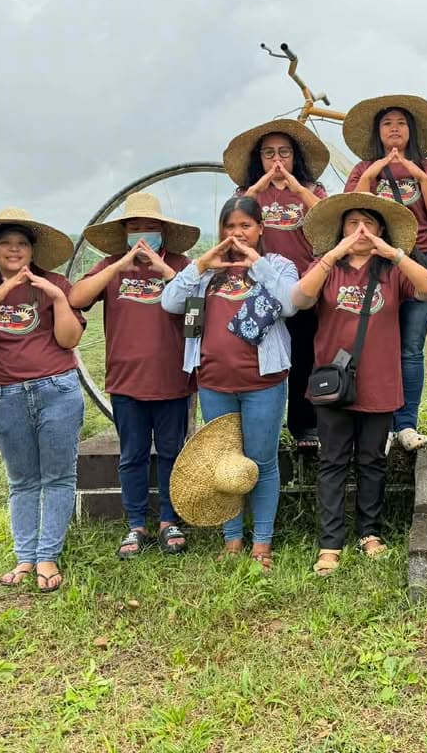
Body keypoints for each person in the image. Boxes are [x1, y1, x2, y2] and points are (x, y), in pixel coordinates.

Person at [292, 193, 427, 576]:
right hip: (333, 383)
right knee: (332, 462)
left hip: (380, 381)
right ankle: (330, 542)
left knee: (372, 462)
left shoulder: (391, 271)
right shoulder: (328, 267)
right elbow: (300, 299)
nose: (360, 230)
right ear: (340, 230)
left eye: (369, 224)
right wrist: (332, 255)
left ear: (381, 231)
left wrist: (394, 254)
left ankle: (369, 533)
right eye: (352, 223)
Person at [160, 196, 298, 571]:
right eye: (230, 226)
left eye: (245, 226)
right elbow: (170, 302)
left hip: (263, 382)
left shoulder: (279, 266)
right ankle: (232, 539)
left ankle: (262, 544)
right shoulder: (208, 273)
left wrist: (258, 264)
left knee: (261, 462)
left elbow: (290, 304)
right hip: (213, 382)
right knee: (224, 463)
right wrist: (202, 263)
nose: (237, 233)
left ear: (260, 229)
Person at [69, 193, 201, 559]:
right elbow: (77, 298)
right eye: (135, 227)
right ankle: (137, 524)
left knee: (172, 452)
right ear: (124, 232)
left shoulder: (181, 264)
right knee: (133, 455)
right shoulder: (111, 266)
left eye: (151, 227)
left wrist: (164, 270)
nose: (143, 233)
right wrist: (120, 265)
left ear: (164, 231)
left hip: (173, 379)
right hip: (126, 380)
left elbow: (199, 309)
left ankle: (170, 521)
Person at [0, 208, 85, 593]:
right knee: (22, 480)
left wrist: (57, 296)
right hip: (3, 394)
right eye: (5, 243)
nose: (14, 250)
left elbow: (69, 339)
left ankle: (47, 555)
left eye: (21, 244)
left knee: (58, 476)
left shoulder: (55, 284)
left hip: (56, 389)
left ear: (32, 250)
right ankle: (25, 557)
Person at [343, 94, 427, 451]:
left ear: (411, 130)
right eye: (387, 123)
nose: (394, 129)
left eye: (401, 123)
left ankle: (406, 423)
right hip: (376, 265)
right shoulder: (363, 169)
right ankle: (381, 422)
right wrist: (372, 172)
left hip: (419, 263)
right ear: (377, 131)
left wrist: (419, 175)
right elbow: (351, 212)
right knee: (378, 345)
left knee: (411, 348)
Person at [223, 119, 330, 450]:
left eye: (284, 152)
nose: (277, 160)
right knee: (256, 355)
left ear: (296, 156)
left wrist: (297, 188)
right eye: (269, 153)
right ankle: (255, 426)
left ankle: (304, 426)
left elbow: (329, 218)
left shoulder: (312, 189)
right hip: (257, 285)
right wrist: (259, 186)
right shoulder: (247, 193)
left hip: (304, 284)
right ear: (259, 158)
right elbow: (234, 218)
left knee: (303, 355)